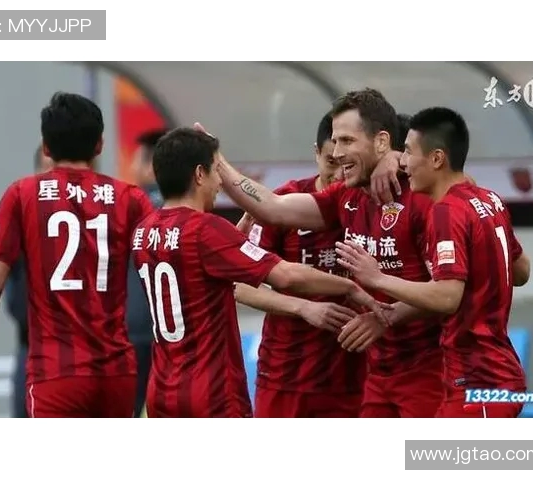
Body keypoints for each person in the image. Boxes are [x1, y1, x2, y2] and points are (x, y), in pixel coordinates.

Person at [197, 89, 444, 417]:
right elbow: (273, 208)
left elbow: (449, 292)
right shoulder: (344, 197)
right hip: (366, 372)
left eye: (347, 141)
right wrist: (217, 160)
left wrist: (386, 314)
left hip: (424, 368)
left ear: (382, 141)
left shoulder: (425, 198)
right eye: (334, 144)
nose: (338, 154)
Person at [130, 127, 390, 418]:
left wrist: (233, 241)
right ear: (200, 174)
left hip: (162, 386)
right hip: (210, 392)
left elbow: (196, 274)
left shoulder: (144, 230)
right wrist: (350, 286)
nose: (220, 182)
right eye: (216, 171)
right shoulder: (206, 230)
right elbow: (285, 275)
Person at [0, 92, 155, 418]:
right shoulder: (130, 198)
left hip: (54, 373)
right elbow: (166, 260)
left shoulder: (21, 195)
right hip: (117, 371)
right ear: (99, 145)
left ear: (46, 149)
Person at [336, 107, 531, 418]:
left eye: (408, 153)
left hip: (478, 379)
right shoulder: (489, 199)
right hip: (487, 372)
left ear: (437, 159)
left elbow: (447, 297)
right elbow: (521, 271)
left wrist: (378, 278)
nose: (402, 162)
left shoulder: (445, 212)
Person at [234, 112, 365, 417]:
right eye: (331, 162)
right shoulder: (284, 202)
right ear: (316, 153)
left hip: (354, 375)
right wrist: (303, 308)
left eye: (346, 165)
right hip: (286, 373)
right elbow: (240, 285)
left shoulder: (370, 202)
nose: (339, 175)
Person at [3, 146, 54, 418]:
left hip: (80, 352)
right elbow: (2, 286)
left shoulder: (93, 219)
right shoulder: (20, 218)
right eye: (47, 169)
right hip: (32, 345)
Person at [126, 128, 167, 417]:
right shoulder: (190, 207)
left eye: (136, 158)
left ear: (151, 165)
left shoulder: (129, 205)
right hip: (176, 331)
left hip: (134, 328)